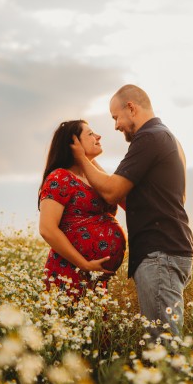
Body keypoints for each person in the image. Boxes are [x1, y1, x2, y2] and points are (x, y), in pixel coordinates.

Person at [70, 85, 193, 340]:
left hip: (160, 254)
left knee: (164, 346)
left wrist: (82, 158)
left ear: (131, 108)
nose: (115, 126)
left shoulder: (149, 138)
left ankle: (171, 382)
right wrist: (93, 164)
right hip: (169, 251)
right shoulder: (166, 137)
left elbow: (112, 192)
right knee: (163, 341)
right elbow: (128, 197)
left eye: (116, 117)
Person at [38, 120, 126, 300]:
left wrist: (86, 160)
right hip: (69, 272)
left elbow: (114, 191)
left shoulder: (93, 178)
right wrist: (85, 265)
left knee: (95, 326)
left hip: (96, 277)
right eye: (90, 134)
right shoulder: (60, 177)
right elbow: (47, 229)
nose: (98, 136)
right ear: (73, 143)